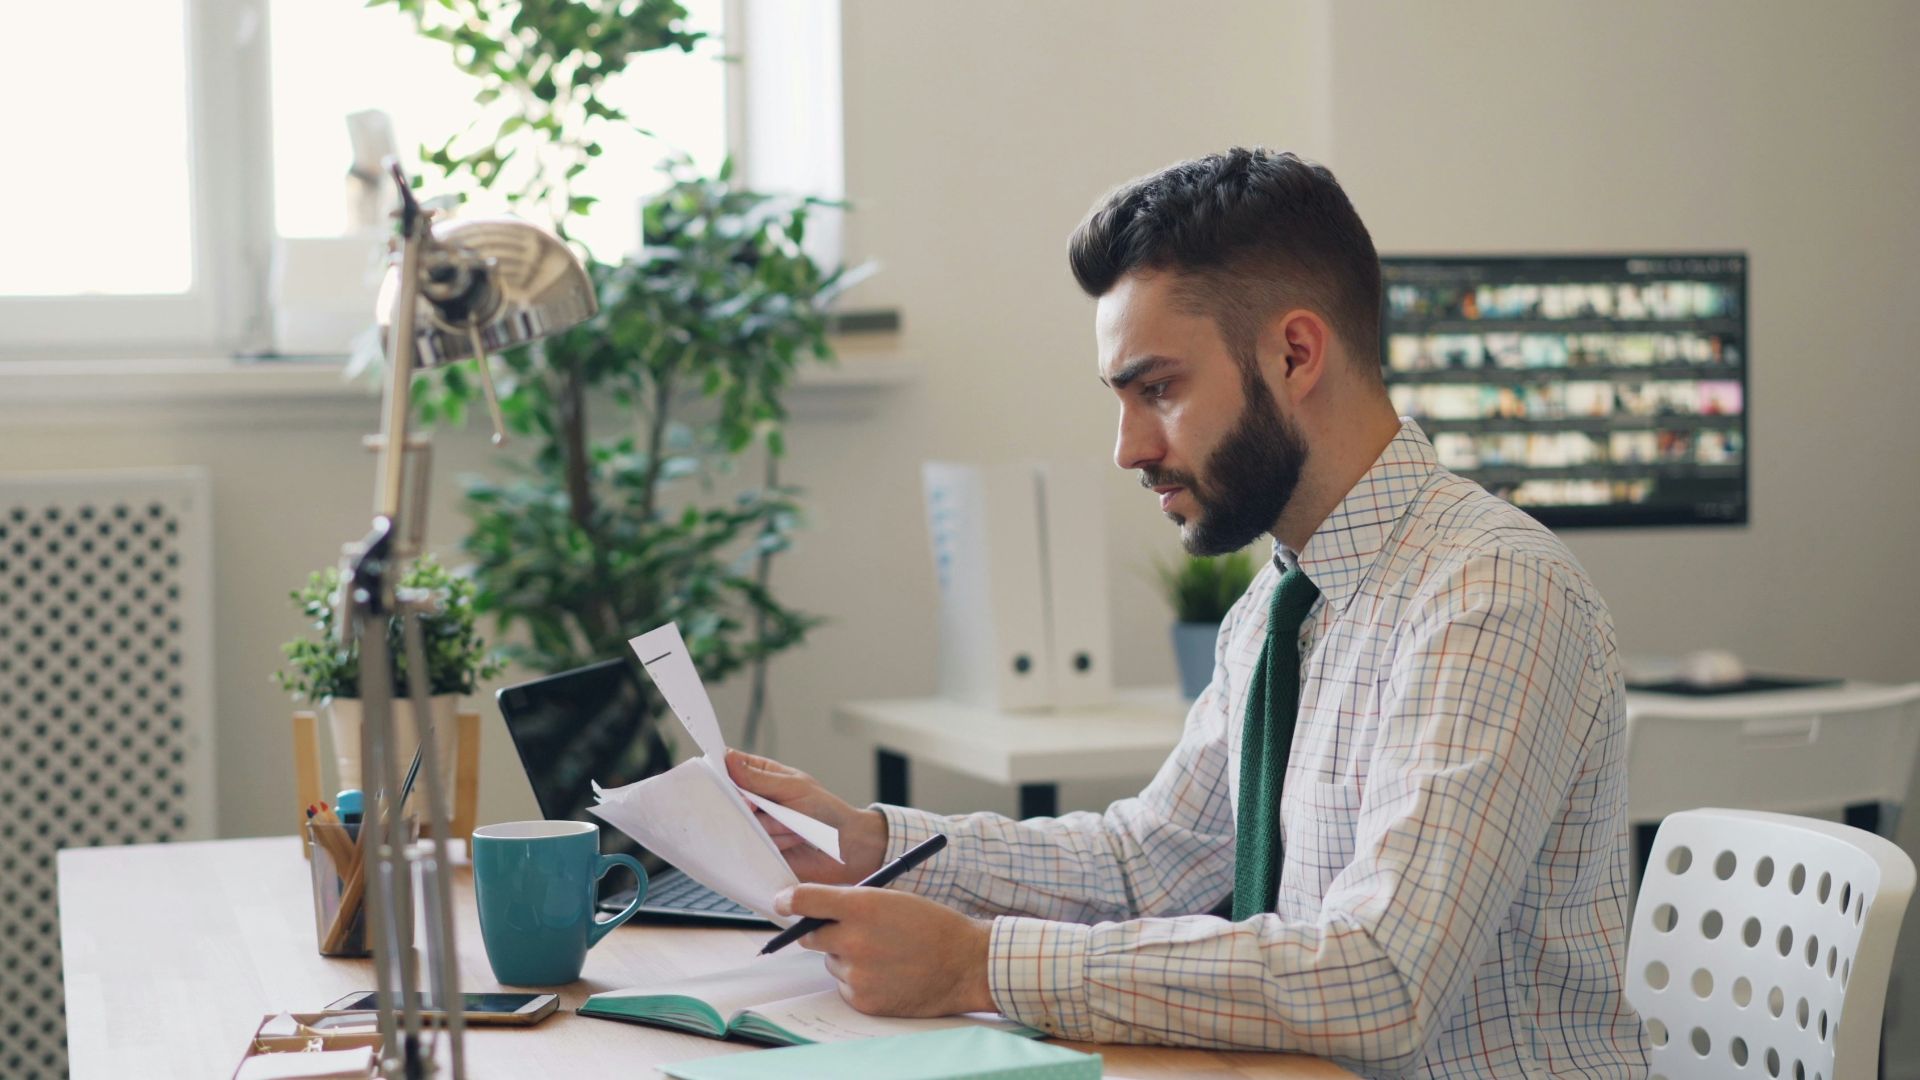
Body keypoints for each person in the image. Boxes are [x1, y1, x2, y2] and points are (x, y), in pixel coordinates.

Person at [726, 148, 1647, 1077]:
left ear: (1295, 354)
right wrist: (872, 843)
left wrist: (978, 965)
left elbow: (1383, 978)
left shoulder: (1491, 593)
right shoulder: (1281, 606)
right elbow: (1146, 862)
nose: (1129, 448)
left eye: (1158, 389)